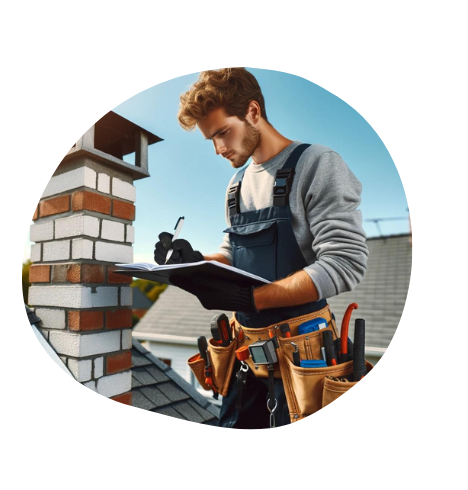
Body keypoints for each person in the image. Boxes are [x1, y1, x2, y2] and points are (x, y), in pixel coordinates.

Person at [154, 67, 369, 428]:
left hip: (305, 362)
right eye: (211, 139)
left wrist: (252, 300)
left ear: (253, 112)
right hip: (245, 358)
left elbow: (345, 263)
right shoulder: (236, 186)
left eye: (223, 132)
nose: (219, 148)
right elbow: (232, 252)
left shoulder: (317, 164)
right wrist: (191, 262)